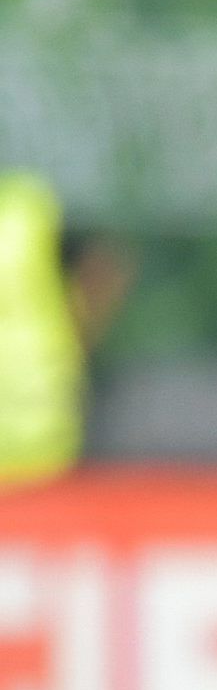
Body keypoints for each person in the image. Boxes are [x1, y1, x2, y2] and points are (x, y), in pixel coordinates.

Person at [0, 173, 127, 485]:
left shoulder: (32, 205)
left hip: (40, 442)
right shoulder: (29, 205)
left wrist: (72, 344)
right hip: (40, 432)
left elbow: (105, 267)